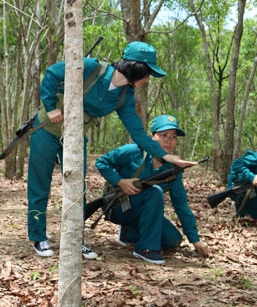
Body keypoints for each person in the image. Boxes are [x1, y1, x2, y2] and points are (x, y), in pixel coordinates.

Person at [27, 41, 195, 259]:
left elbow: (137, 132)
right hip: (47, 131)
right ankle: (38, 237)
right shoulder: (91, 67)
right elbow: (51, 74)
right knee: (40, 184)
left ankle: (75, 240)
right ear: (136, 67)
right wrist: (50, 107)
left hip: (76, 138)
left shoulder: (124, 97)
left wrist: (165, 155)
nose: (146, 80)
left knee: (78, 188)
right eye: (146, 73)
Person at [94, 115, 210, 264]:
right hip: (117, 207)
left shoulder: (172, 170)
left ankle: (128, 233)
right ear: (151, 137)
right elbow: (102, 162)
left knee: (173, 240)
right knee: (155, 191)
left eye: (173, 136)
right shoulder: (134, 151)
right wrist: (120, 181)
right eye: (163, 135)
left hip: (142, 214)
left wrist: (195, 240)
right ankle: (146, 249)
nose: (168, 140)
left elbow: (181, 205)